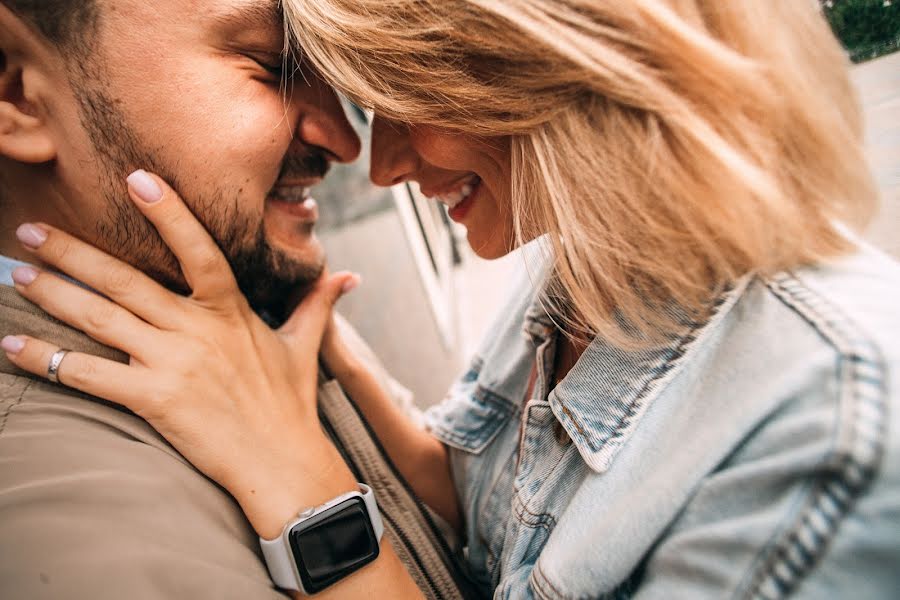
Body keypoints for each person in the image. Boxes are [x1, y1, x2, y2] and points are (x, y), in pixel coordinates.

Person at [5, 0, 900, 598]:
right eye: (273, 70)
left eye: (408, 98)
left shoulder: (832, 420)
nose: (378, 161)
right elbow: (487, 503)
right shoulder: (583, 279)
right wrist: (320, 346)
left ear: (555, 63)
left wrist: (300, 486)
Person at [0, 1, 471, 599]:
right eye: (272, 66)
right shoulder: (48, 513)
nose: (347, 143)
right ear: (17, 93)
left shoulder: (265, 301)